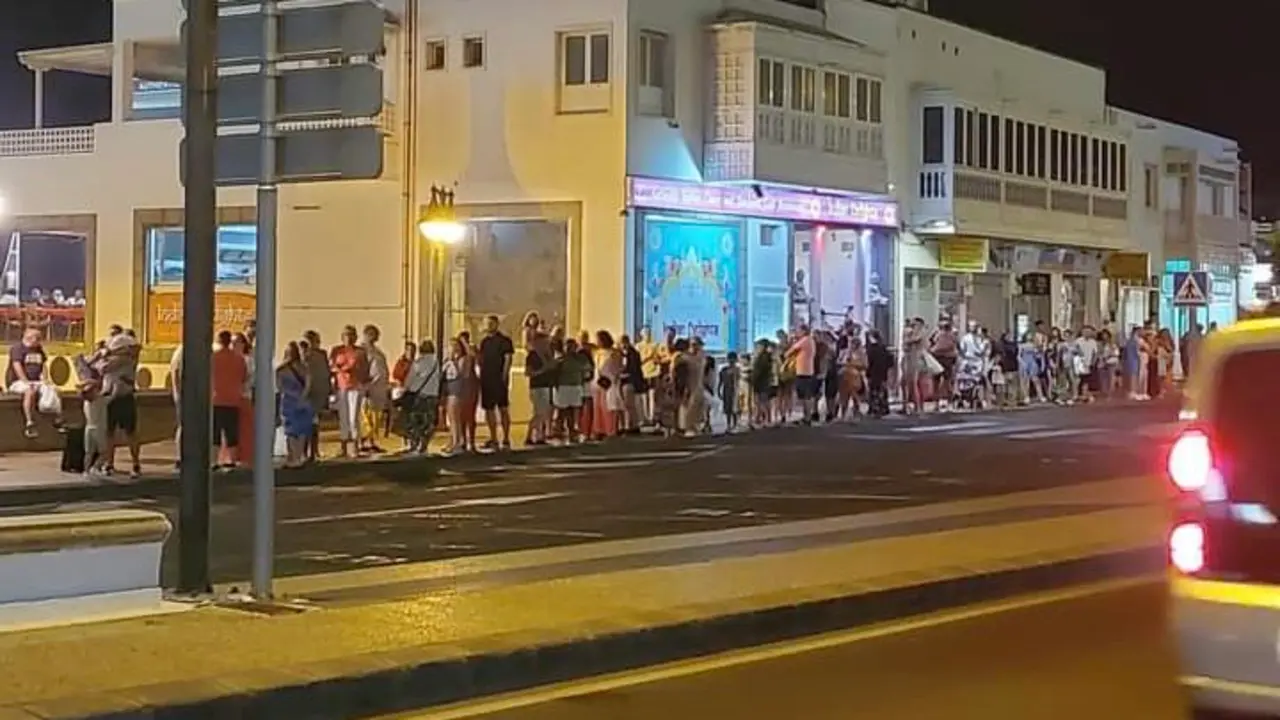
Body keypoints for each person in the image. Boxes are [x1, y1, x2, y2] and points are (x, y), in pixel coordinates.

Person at [7, 327, 64, 438]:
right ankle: (29, 423)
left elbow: (43, 366)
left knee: (54, 390)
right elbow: (17, 366)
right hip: (18, 381)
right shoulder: (17, 349)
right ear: (29, 338)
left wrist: (45, 380)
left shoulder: (39, 349)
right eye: (37, 338)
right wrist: (25, 381)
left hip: (36, 380)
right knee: (30, 392)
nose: (39, 340)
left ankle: (57, 419)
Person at [478, 314, 515, 450]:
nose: (488, 326)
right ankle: (493, 437)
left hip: (499, 379)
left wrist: (504, 376)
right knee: (489, 410)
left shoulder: (505, 341)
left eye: (491, 323)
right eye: (486, 324)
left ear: (496, 324)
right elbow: (481, 360)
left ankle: (505, 437)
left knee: (503, 408)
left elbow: (508, 359)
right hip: (486, 379)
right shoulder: (484, 342)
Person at [212, 330, 247, 469]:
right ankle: (231, 460)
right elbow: (244, 377)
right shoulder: (239, 359)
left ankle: (214, 461)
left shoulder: (213, 357)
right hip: (233, 399)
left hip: (216, 399)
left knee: (215, 432)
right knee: (232, 431)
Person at [330, 325, 366, 457]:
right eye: (346, 335)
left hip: (355, 386)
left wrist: (349, 370)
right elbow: (332, 366)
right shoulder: (336, 350)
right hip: (341, 386)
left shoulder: (360, 352)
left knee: (353, 417)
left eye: (351, 335)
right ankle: (343, 446)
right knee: (343, 417)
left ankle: (355, 446)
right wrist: (340, 370)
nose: (348, 338)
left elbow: (362, 368)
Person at [276, 341, 313, 468]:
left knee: (291, 431)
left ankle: (293, 457)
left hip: (289, 402)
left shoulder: (281, 370)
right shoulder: (304, 367)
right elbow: (308, 385)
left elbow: (280, 387)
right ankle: (300, 455)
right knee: (302, 430)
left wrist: (291, 394)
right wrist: (302, 397)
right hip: (303, 402)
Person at [401, 340, 442, 454]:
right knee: (428, 422)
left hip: (419, 395)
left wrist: (405, 389)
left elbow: (410, 379)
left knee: (415, 421)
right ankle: (424, 443)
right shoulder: (436, 363)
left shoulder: (418, 363)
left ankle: (415, 443)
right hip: (432, 395)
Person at [301, 331, 331, 461]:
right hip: (306, 394)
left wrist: (328, 391)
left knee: (314, 423)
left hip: (317, 393)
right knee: (305, 424)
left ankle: (313, 451)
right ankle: (304, 451)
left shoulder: (321, 355)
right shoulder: (303, 355)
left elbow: (326, 373)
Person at [553, 338, 589, 443]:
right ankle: (559, 431)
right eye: (568, 346)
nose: (570, 349)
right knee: (562, 411)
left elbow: (587, 369)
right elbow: (555, 374)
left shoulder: (581, 359)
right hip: (563, 386)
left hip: (575, 386)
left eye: (572, 346)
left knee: (573, 411)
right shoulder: (560, 359)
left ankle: (572, 431)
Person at [785, 325, 818, 424]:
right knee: (804, 395)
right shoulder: (810, 341)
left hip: (803, 371)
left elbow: (789, 352)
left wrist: (792, 340)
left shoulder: (805, 340)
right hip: (806, 370)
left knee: (805, 396)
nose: (796, 333)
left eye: (798, 330)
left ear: (804, 331)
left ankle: (807, 417)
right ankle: (806, 416)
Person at [719, 351, 741, 432]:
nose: (731, 361)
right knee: (727, 409)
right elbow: (721, 381)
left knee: (734, 409)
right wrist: (719, 390)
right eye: (730, 359)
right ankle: (728, 425)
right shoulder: (723, 370)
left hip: (734, 391)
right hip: (726, 390)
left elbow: (739, 381)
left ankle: (735, 425)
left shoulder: (737, 369)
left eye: (733, 359)